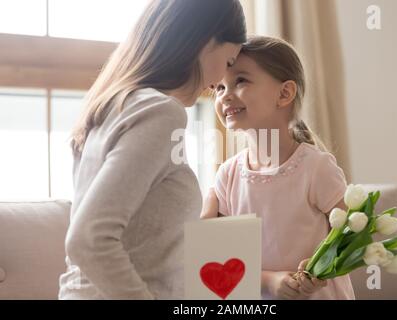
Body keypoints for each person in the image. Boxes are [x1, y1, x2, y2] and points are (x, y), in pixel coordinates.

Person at [58, 0, 246, 299]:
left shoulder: (116, 104)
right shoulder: (161, 111)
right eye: (229, 62)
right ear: (205, 40)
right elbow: (89, 239)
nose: (217, 84)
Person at [201, 36, 355, 300]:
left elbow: (354, 237)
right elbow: (223, 261)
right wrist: (270, 281)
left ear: (284, 93)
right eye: (219, 88)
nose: (225, 96)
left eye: (240, 81)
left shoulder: (315, 168)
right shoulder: (227, 176)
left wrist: (321, 267)